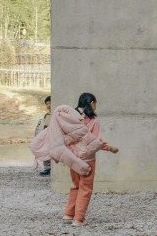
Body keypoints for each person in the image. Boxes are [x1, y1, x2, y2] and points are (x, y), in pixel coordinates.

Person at [29, 92, 119, 227]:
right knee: (86, 188)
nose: (96, 106)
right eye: (95, 103)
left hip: (72, 158)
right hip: (87, 159)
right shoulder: (93, 121)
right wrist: (110, 148)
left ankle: (69, 214)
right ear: (92, 103)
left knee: (76, 186)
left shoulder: (70, 119)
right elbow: (96, 141)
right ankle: (79, 219)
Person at [34, 94, 51, 176]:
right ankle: (47, 169)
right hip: (46, 137)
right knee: (45, 152)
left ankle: (50, 169)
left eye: (49, 103)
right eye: (46, 104)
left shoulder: (55, 114)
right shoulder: (46, 115)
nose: (48, 105)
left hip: (52, 136)